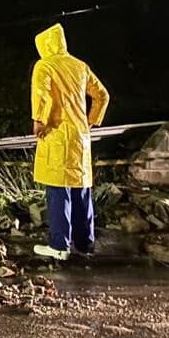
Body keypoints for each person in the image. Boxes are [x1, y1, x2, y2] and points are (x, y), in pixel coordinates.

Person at [30, 23, 109, 261]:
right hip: (81, 137)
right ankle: (85, 245)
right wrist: (92, 120)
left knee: (58, 191)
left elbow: (41, 93)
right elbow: (102, 95)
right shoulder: (79, 66)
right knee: (81, 190)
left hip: (57, 134)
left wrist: (39, 120)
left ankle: (59, 246)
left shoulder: (45, 65)